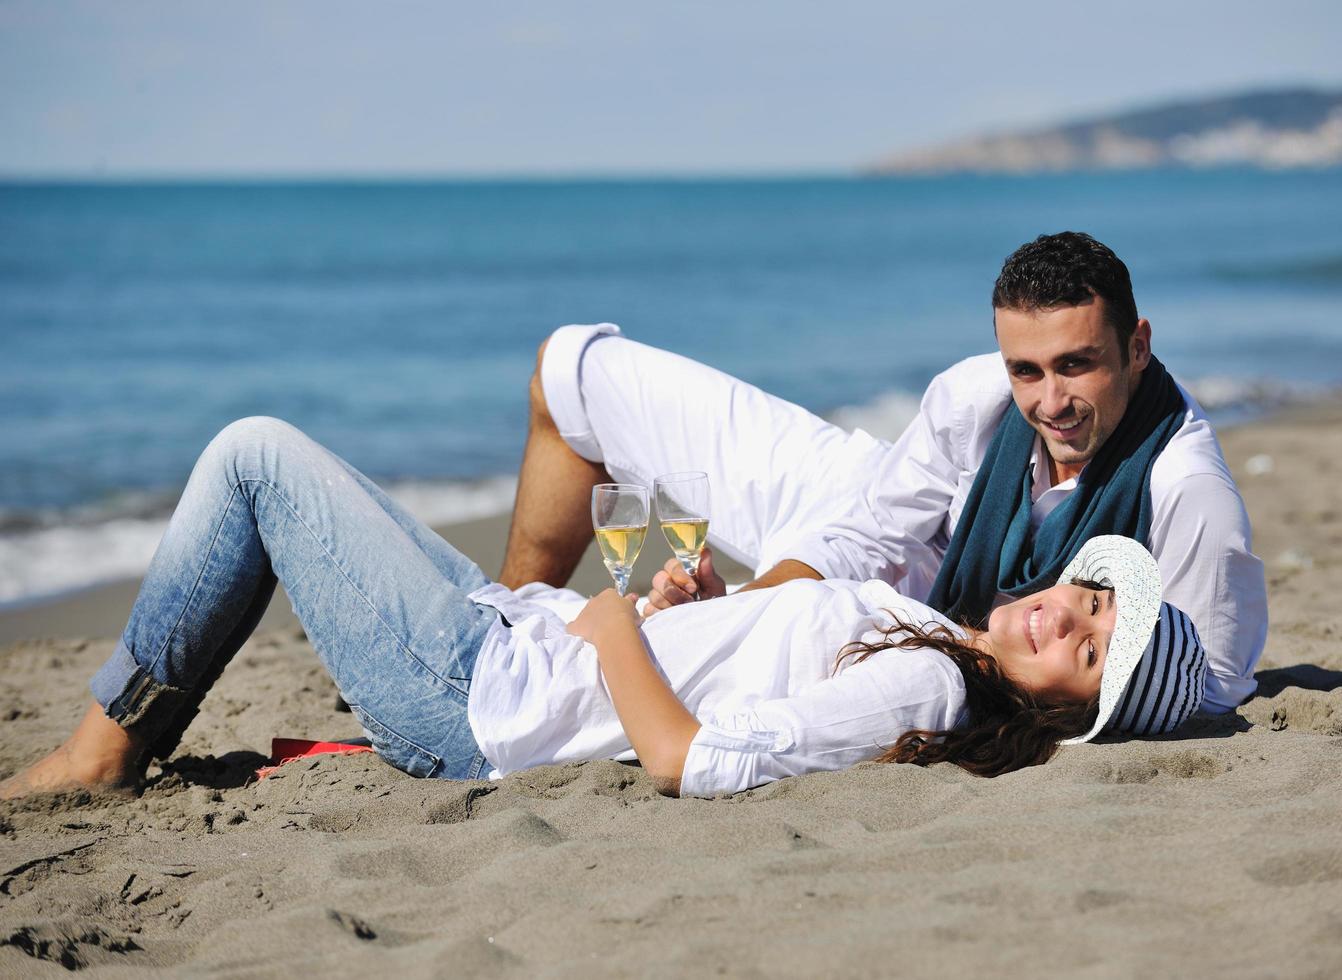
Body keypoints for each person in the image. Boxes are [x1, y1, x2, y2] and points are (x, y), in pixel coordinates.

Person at [0, 417, 1205, 801]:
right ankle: (115, 733)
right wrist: (693, 616)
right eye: (1089, 600)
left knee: (256, 455)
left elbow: (698, 762)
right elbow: (739, 695)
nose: (1065, 618)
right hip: (510, 640)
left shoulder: (938, 681)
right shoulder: (936, 637)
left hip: (479, 699)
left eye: (1090, 653)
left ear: (1071, 711)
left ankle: (103, 747)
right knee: (280, 470)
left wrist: (622, 628)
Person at [498, 232, 1267, 718]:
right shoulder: (976, 396)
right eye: (1027, 370)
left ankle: (519, 671)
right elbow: (868, 528)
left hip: (907, 624)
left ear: (1137, 347)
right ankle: (508, 623)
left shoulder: (1185, 490)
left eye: (1077, 365)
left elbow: (1213, 683)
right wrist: (737, 608)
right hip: (861, 510)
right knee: (571, 369)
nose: (1051, 401)